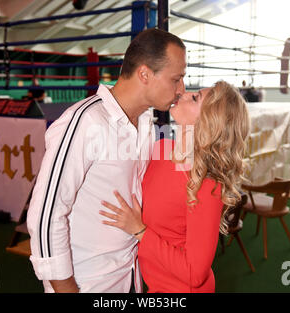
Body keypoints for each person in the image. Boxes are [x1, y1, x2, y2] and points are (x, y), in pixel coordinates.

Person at [27, 28, 186, 293]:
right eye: (176, 79)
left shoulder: (146, 123)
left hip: (130, 276)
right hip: (88, 282)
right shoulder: (85, 121)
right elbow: (45, 215)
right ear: (145, 74)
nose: (181, 89)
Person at [99, 80, 250, 293]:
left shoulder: (207, 184)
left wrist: (139, 231)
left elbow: (195, 274)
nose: (185, 93)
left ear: (208, 122)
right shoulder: (161, 149)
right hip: (152, 284)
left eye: (195, 97)